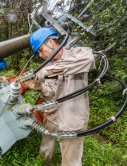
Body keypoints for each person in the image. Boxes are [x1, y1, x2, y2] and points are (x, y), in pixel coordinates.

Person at [24, 28, 96, 166]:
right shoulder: (48, 66)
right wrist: (39, 87)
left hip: (73, 117)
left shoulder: (78, 53)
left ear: (51, 42)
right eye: (37, 53)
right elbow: (51, 94)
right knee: (45, 149)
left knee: (71, 161)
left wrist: (49, 70)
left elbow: (89, 60)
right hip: (53, 114)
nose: (40, 55)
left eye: (40, 50)